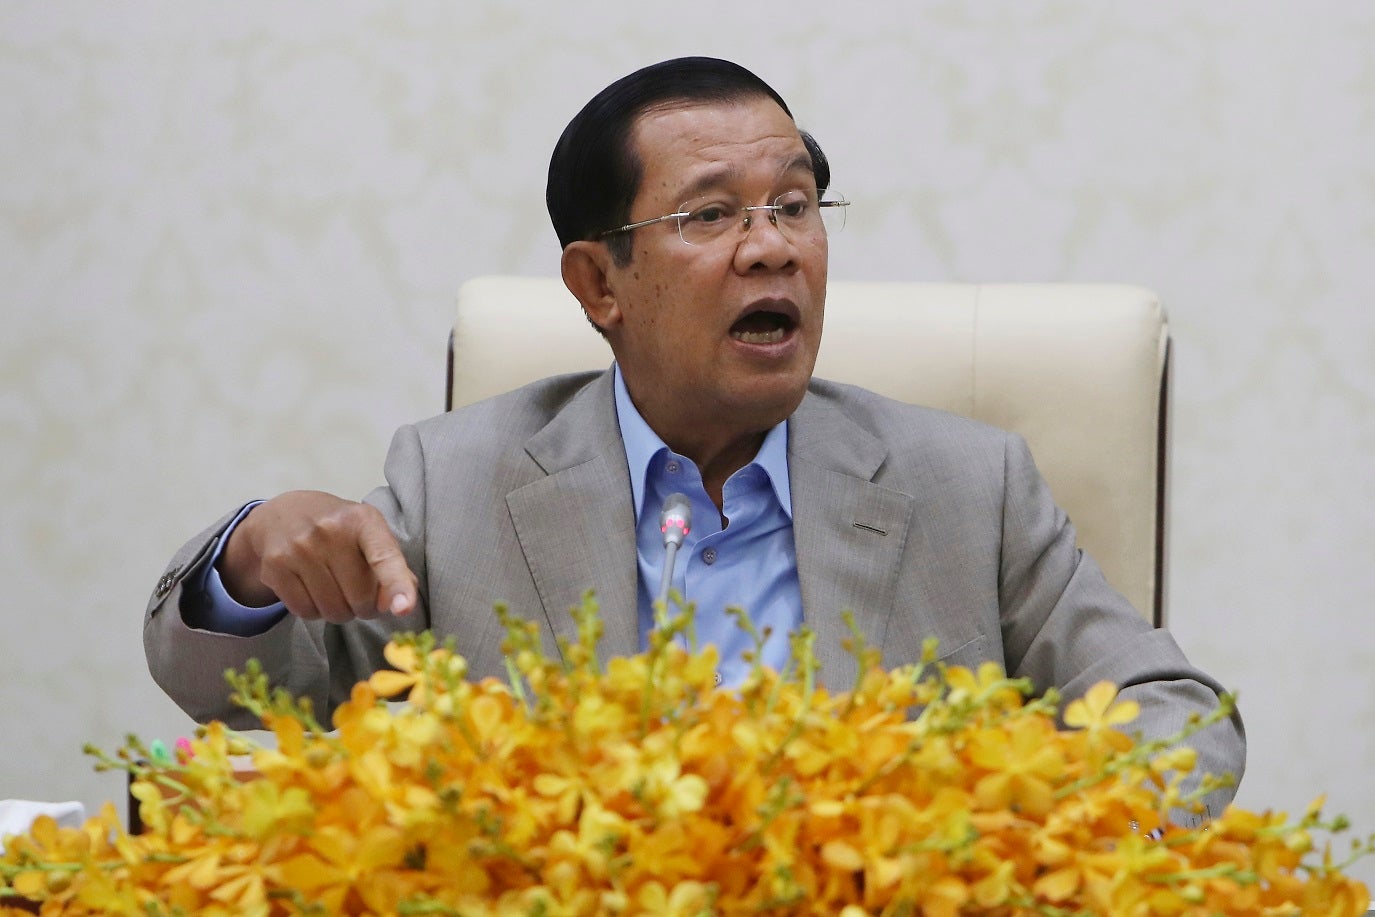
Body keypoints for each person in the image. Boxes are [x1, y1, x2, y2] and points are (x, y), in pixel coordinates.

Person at [144, 57, 1244, 812]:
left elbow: (1178, 715)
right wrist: (252, 553)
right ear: (598, 281)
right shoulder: (460, 482)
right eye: (710, 215)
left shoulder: (968, 485)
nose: (772, 248)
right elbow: (227, 684)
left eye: (796, 204)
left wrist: (1001, 811)